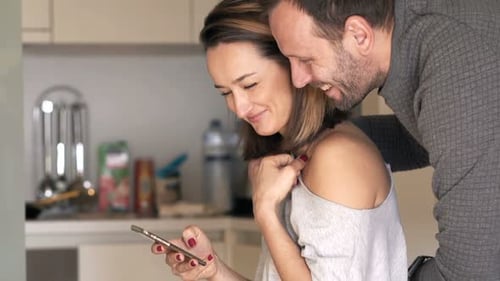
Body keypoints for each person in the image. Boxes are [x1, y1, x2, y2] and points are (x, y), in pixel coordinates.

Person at [151, 0, 407, 280]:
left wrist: (265, 213)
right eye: (225, 92)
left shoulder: (336, 157)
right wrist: (214, 272)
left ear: (292, 62)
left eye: (249, 85)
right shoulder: (300, 153)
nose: (239, 107)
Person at [258, 0, 500, 280]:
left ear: (359, 34)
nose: (298, 79)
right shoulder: (418, 35)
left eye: (306, 60)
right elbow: (421, 138)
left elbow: (471, 272)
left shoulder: (458, 69)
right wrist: (320, 145)